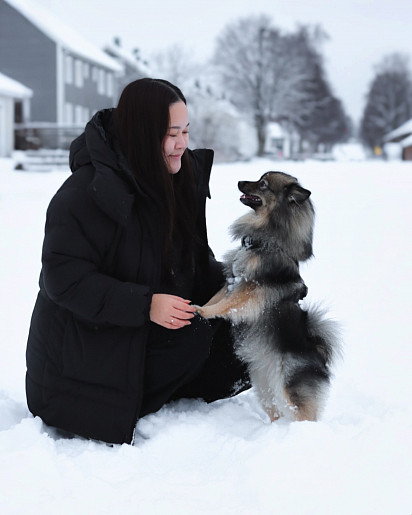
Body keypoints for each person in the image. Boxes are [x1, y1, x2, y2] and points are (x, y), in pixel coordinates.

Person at [25, 78, 250, 445]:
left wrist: (244, 282)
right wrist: (146, 304)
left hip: (135, 333)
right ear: (143, 133)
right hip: (75, 361)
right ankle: (134, 396)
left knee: (250, 330)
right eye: (171, 133)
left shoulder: (175, 178)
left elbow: (191, 261)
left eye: (186, 131)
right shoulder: (85, 194)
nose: (182, 144)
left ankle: (178, 377)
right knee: (193, 338)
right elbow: (64, 280)